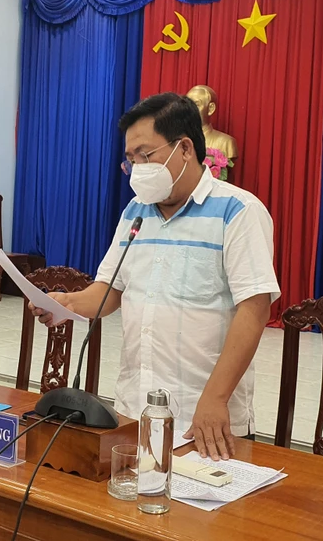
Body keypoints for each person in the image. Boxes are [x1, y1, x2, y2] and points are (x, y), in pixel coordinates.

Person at [31, 92, 279, 460]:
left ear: (185, 148)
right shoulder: (136, 211)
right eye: (130, 160)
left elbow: (255, 309)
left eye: (145, 155)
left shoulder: (238, 211)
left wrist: (215, 399)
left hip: (205, 418)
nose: (137, 168)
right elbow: (110, 290)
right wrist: (67, 303)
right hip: (134, 410)